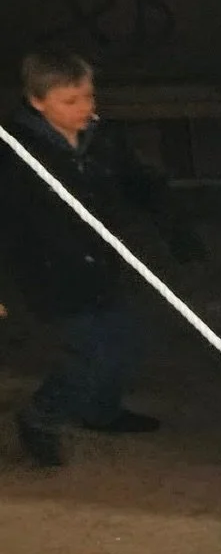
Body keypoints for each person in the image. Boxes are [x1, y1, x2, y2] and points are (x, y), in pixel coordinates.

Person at [0, 51, 200, 466]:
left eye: (88, 96)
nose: (85, 108)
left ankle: (101, 410)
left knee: (126, 340)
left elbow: (140, 182)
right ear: (37, 102)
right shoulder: (15, 155)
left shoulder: (101, 138)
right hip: (49, 273)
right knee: (89, 351)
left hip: (101, 263)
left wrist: (178, 233)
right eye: (70, 101)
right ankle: (42, 415)